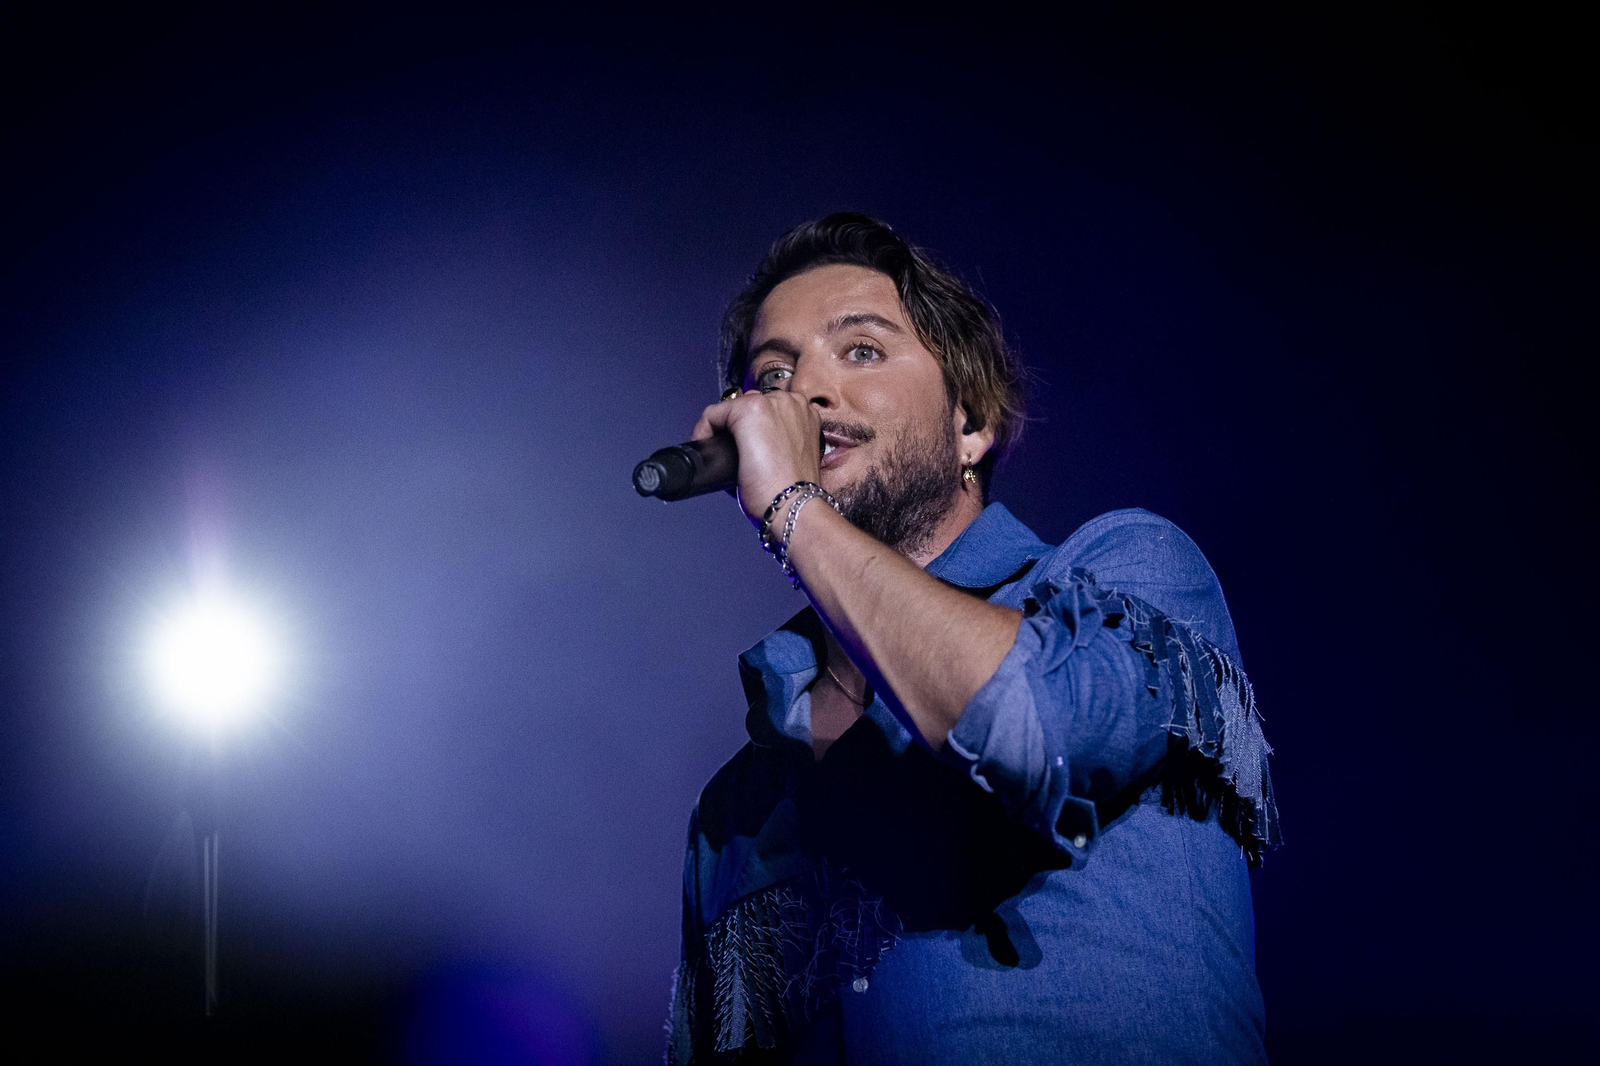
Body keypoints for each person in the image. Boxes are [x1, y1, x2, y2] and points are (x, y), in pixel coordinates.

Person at [665, 213, 1278, 1065]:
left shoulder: (1125, 573)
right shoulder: (735, 811)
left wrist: (794, 509)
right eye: (773, 373)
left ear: (971, 423)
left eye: (862, 351)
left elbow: (1032, 724)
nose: (802, 392)